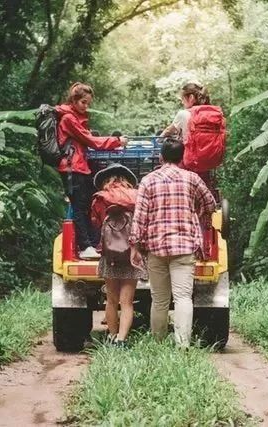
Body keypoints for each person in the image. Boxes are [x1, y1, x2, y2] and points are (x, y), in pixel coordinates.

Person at [129, 139, 217, 348]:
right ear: (182, 157)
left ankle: (158, 343)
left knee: (159, 299)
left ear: (161, 157)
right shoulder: (192, 178)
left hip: (156, 247)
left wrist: (134, 245)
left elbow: (140, 216)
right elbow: (211, 204)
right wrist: (196, 211)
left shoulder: (148, 180)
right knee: (183, 297)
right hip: (185, 246)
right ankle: (183, 344)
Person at [56, 82, 128, 260]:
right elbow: (90, 140)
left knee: (87, 204)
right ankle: (85, 246)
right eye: (83, 102)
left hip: (80, 167)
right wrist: (116, 141)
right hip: (73, 168)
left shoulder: (75, 117)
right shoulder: (68, 119)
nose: (86, 106)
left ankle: (92, 243)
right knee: (79, 207)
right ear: (74, 100)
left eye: (88, 103)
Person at [91, 163, 145, 347]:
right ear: (126, 180)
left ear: (106, 180)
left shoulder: (100, 198)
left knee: (111, 300)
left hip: (109, 256)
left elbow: (97, 225)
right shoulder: (136, 196)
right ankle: (122, 339)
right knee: (127, 302)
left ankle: (112, 337)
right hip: (131, 254)